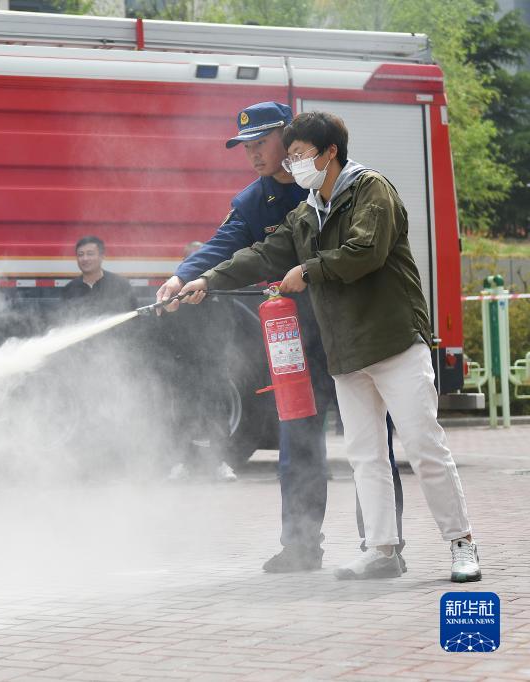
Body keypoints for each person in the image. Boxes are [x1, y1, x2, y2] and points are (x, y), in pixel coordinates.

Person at [174, 111, 480, 582]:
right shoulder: (306, 212)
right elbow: (261, 254)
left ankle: (461, 544)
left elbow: (365, 251)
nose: (293, 165)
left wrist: (307, 270)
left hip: (393, 343)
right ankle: (381, 550)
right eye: (292, 157)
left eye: (299, 155)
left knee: (424, 446)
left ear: (329, 151)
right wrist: (203, 280)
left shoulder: (370, 189)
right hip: (346, 353)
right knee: (365, 454)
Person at [157, 101, 406, 573]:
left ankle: (383, 545)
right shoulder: (254, 202)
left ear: (291, 141)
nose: (253, 154)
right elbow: (225, 246)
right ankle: (300, 545)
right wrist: (184, 276)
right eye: (245, 147)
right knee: (297, 441)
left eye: (261, 144)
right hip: (299, 339)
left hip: (356, 334)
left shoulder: (343, 187)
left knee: (371, 444)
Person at [60, 236, 137, 316]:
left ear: (102, 256)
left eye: (90, 254)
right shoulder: (69, 289)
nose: (85, 259)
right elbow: (65, 320)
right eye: (80, 255)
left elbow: (133, 317)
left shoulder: (120, 285)